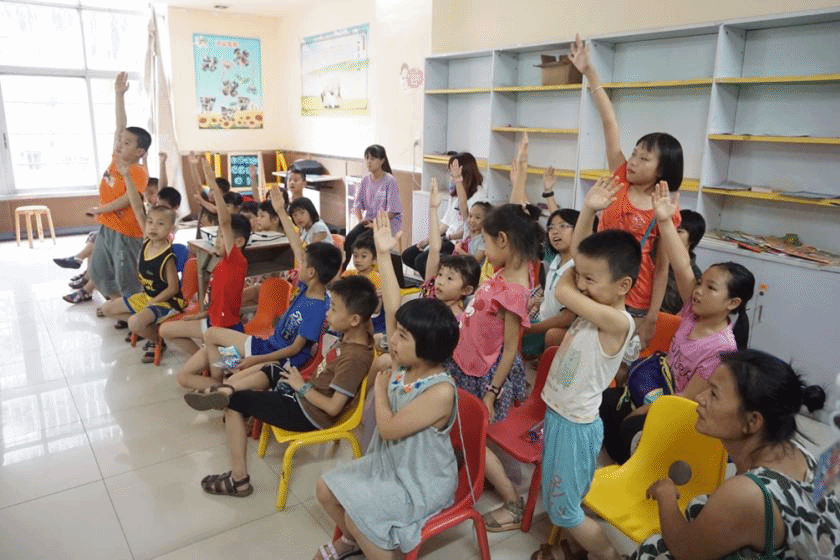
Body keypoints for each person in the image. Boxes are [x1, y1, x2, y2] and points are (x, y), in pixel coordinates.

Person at [630, 350, 837, 560]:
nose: (700, 398)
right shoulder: (796, 451)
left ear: (752, 421)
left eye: (713, 394)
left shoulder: (746, 494)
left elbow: (685, 550)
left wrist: (665, 495)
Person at [601, 184, 755, 463]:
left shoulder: (720, 349)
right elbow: (682, 266)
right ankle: (626, 459)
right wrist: (664, 221)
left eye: (711, 288)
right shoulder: (694, 311)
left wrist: (642, 411)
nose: (699, 291)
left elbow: (686, 400)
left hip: (679, 408)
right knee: (609, 402)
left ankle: (641, 467)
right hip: (658, 385)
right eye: (701, 283)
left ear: (733, 303)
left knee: (630, 426)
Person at [189, 274, 378, 499]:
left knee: (234, 404)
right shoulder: (354, 336)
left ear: (355, 320)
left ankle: (238, 480)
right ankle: (227, 388)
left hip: (307, 413)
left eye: (334, 309)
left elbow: (333, 407)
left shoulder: (354, 357)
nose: (328, 313)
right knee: (272, 368)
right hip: (305, 396)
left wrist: (301, 387)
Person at [314, 294, 460, 560]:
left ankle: (367, 542)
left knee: (360, 518)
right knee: (324, 489)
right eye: (396, 332)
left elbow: (389, 429)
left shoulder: (441, 391)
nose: (392, 340)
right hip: (390, 464)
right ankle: (352, 541)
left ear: (428, 346)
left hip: (421, 481)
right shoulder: (406, 366)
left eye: (403, 336)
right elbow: (392, 306)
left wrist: (380, 391)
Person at [529, 228, 640, 560]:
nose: (580, 284)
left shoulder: (617, 321)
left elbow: (563, 287)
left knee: (564, 510)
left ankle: (609, 555)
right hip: (563, 417)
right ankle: (577, 546)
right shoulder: (594, 307)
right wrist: (589, 209)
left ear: (623, 285)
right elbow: (573, 269)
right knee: (565, 495)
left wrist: (572, 277)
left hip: (574, 426)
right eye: (581, 276)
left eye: (590, 279)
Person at [569, 33, 683, 350]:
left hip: (634, 300)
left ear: (662, 170)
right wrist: (590, 73)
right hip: (594, 286)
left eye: (643, 159)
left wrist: (652, 316)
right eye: (633, 154)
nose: (632, 161)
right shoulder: (619, 177)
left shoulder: (664, 208)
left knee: (617, 364)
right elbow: (609, 123)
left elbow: (662, 268)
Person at [447, 203, 539, 532]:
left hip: (482, 376)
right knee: (461, 428)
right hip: (466, 361)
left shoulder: (514, 290)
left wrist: (491, 393)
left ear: (502, 240)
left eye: (485, 242)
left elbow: (511, 349)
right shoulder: (505, 272)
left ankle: (513, 503)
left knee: (474, 436)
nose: (483, 250)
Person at [199, 187, 341, 387]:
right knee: (212, 334)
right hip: (268, 346)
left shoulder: (317, 307)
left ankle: (223, 382)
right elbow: (297, 246)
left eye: (303, 263)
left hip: (278, 357)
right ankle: (222, 379)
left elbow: (294, 350)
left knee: (229, 373)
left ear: (311, 272)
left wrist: (257, 360)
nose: (298, 263)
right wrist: (281, 211)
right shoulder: (308, 286)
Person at [166, 158, 250, 388]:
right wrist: (200, 314)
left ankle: (224, 388)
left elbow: (224, 220)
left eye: (222, 236)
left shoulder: (236, 261)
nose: (218, 240)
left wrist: (212, 184)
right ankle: (218, 385)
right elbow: (216, 297)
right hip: (211, 326)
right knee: (185, 373)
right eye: (219, 236)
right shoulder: (220, 263)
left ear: (238, 242)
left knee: (228, 374)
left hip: (227, 333)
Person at [98, 160, 186, 364]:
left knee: (134, 323)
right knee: (107, 309)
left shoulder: (167, 253)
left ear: (170, 229)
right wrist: (127, 176)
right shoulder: (147, 239)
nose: (153, 227)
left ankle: (157, 340)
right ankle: (152, 330)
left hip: (166, 301)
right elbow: (137, 205)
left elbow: (173, 289)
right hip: (148, 297)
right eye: (150, 222)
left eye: (160, 224)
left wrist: (152, 302)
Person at [87, 72, 150, 306]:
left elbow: (127, 200)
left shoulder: (138, 171)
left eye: (126, 143)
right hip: (108, 226)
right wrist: (119, 95)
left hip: (126, 232)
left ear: (139, 152)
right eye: (120, 141)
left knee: (127, 278)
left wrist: (100, 209)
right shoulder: (117, 159)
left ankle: (134, 311)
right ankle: (121, 306)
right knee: (98, 271)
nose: (119, 145)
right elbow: (120, 126)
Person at [401, 151, 486, 276]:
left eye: (454, 173)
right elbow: (445, 224)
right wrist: (427, 240)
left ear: (464, 173)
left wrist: (449, 238)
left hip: (456, 243)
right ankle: (435, 278)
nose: (451, 177)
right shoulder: (454, 195)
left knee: (421, 261)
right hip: (447, 238)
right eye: (451, 173)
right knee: (408, 255)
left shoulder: (479, 197)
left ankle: (436, 281)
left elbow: (465, 212)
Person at [522, 208, 581, 354]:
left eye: (563, 226)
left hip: (550, 328)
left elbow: (567, 318)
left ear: (580, 229)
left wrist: (530, 329)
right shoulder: (555, 258)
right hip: (540, 321)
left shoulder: (577, 267)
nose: (555, 232)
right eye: (551, 227)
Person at [343, 144, 402, 270]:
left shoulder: (390, 181)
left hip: (386, 223)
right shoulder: (365, 180)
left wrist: (375, 224)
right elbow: (357, 204)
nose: (369, 162)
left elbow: (392, 212)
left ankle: (370, 272)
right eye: (367, 158)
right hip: (369, 221)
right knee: (349, 240)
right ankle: (342, 270)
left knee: (363, 243)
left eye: (373, 158)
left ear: (382, 161)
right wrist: (361, 220)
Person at [661, 209, 705, 314]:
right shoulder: (653, 259)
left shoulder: (694, 275)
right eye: (671, 229)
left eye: (679, 231)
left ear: (692, 239)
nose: (671, 234)